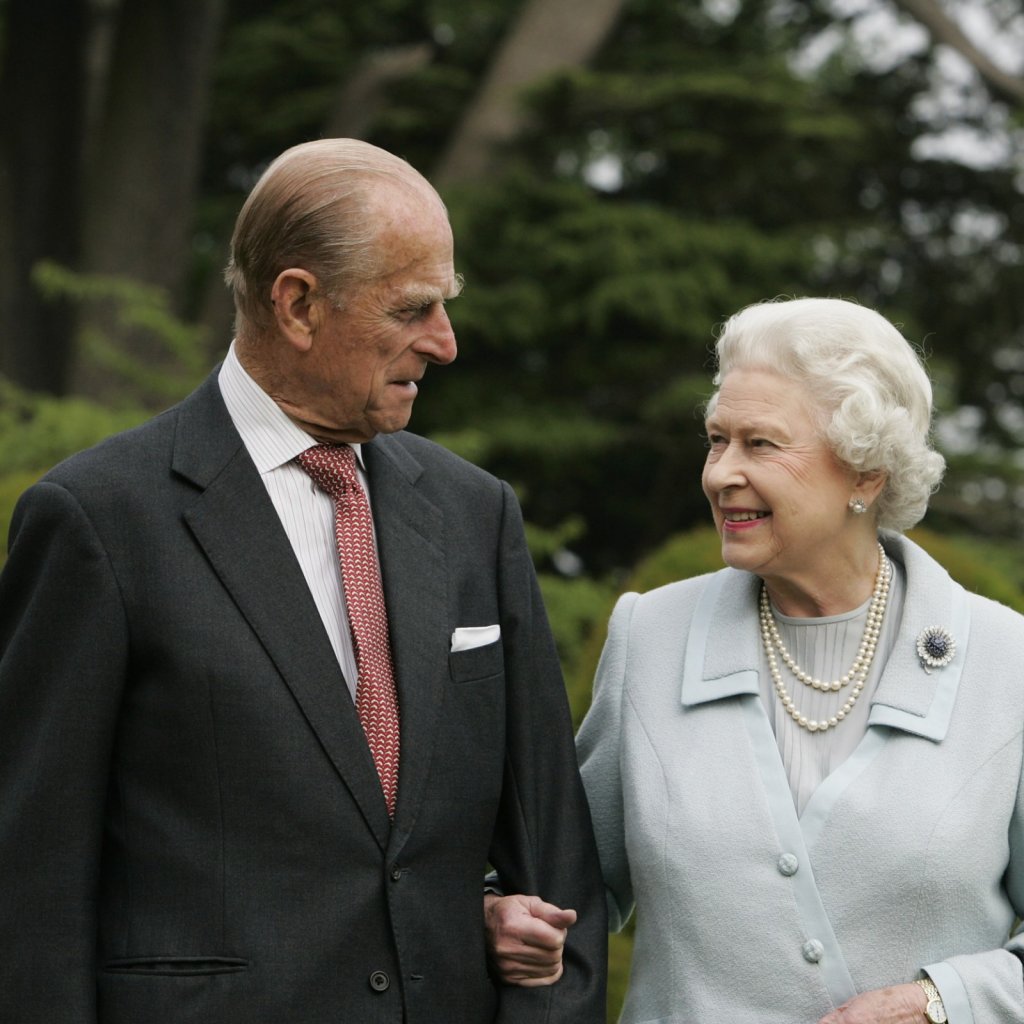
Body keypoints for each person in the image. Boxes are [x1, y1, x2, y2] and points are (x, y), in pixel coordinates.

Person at [0, 138, 607, 1023]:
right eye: (413, 309)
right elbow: (29, 890)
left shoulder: (478, 515)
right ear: (296, 304)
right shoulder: (98, 520)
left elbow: (557, 862)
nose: (445, 342)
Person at [486, 296, 1024, 1023]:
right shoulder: (652, 636)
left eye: (761, 445)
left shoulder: (1006, 663)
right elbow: (565, 880)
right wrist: (501, 909)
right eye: (717, 440)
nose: (719, 474)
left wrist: (941, 1002)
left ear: (866, 473)